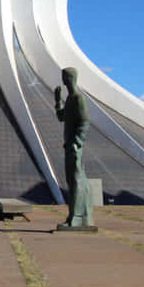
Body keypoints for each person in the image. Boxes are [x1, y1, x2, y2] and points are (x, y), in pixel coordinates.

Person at [55, 67, 94, 228]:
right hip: (69, 145)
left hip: (74, 146)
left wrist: (77, 142)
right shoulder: (70, 99)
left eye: (64, 77)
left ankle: (77, 217)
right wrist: (58, 101)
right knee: (72, 181)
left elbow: (85, 121)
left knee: (77, 180)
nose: (63, 80)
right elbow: (61, 117)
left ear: (69, 78)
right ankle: (74, 215)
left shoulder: (78, 98)